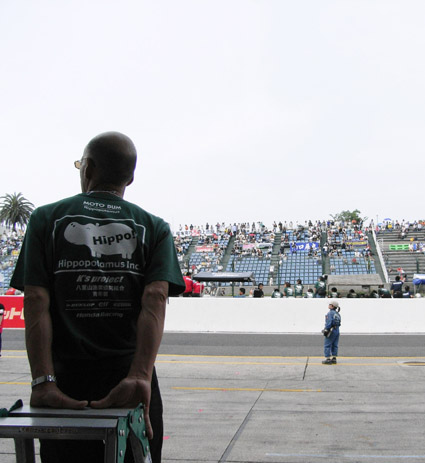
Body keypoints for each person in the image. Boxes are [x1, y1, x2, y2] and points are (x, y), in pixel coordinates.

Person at [10, 131, 185, 463]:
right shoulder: (154, 226)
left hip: (65, 383)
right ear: (130, 178)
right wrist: (140, 376)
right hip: (129, 381)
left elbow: (34, 300)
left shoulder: (45, 218)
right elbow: (155, 297)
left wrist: (43, 382)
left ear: (88, 168)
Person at [322, 300, 341, 365]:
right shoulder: (337, 313)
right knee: (335, 344)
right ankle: (334, 358)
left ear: (332, 306)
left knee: (327, 344)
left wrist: (326, 329)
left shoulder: (330, 313)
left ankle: (328, 359)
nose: (329, 305)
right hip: (337, 330)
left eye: (330, 304)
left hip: (331, 330)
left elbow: (329, 322)